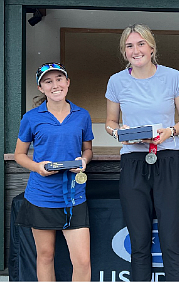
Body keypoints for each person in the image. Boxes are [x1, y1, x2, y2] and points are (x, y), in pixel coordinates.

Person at [105, 24, 179, 281]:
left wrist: (171, 132)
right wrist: (119, 133)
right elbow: (111, 122)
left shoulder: (172, 76)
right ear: (124, 52)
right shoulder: (116, 81)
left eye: (141, 44)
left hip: (167, 159)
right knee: (139, 243)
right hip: (133, 162)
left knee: (172, 242)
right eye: (129, 46)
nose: (136, 50)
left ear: (152, 47)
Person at [14, 62, 94, 281]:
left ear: (67, 83)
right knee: (46, 256)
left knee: (83, 261)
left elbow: (87, 150)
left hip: (74, 196)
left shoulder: (82, 115)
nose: (55, 85)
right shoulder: (31, 117)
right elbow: (19, 155)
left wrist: (84, 161)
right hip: (41, 196)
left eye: (59, 79)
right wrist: (37, 167)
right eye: (48, 81)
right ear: (41, 88)